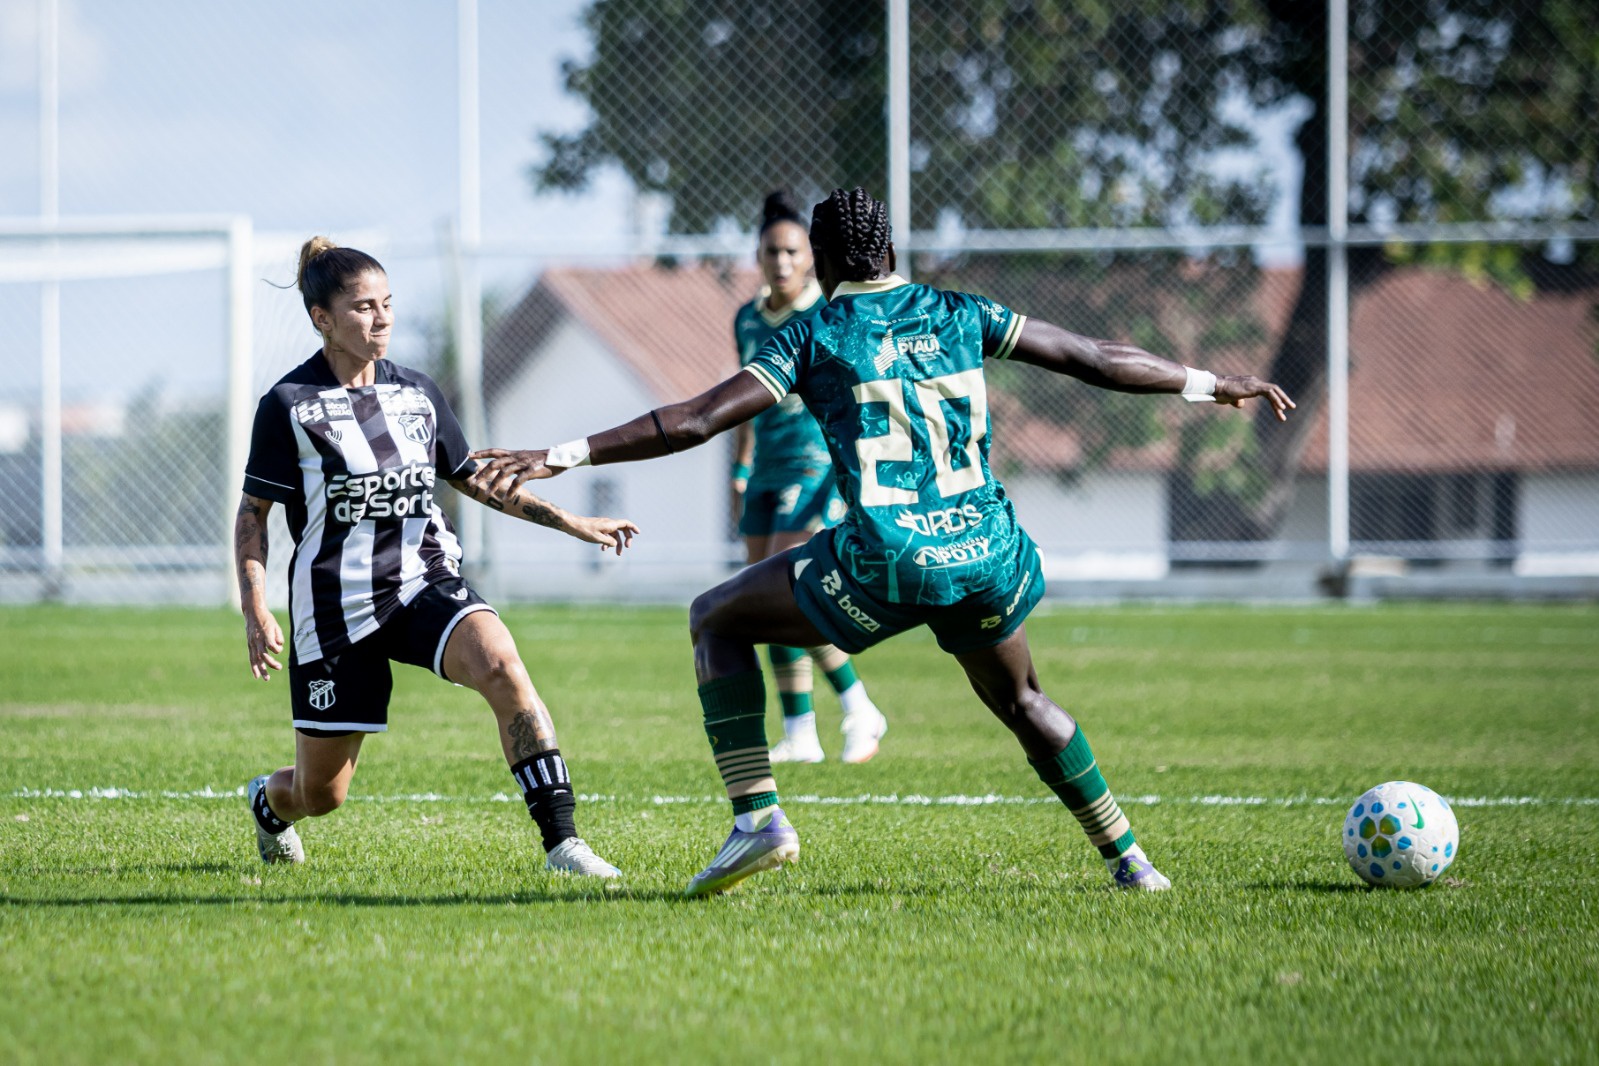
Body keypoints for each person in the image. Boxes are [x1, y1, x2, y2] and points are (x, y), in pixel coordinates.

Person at [472, 188, 1294, 898]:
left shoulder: (816, 332)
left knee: (716, 617)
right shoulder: (960, 312)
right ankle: (1133, 862)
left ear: (824, 261)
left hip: (890, 556)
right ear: (894, 248)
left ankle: (758, 819)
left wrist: (561, 454)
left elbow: (692, 420)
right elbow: (1090, 357)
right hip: (985, 550)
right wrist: (1212, 383)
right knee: (1022, 701)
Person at [235, 236, 637, 877]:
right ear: (323, 319)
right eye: (364, 307)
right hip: (335, 610)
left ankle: (564, 844)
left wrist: (572, 522)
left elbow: (472, 475)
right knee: (322, 795)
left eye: (388, 303)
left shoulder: (418, 394)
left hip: (426, 581)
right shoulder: (288, 406)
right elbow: (252, 516)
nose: (383, 317)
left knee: (503, 665)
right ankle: (269, 802)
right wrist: (256, 610)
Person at [731, 190, 887, 764]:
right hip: (766, 470)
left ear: (810, 256)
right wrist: (740, 470)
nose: (782, 262)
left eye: (793, 251)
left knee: (787, 590)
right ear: (760, 255)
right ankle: (801, 732)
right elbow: (743, 398)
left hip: (814, 469)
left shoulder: (827, 316)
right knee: (763, 601)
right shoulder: (748, 318)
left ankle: (857, 704)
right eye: (772, 251)